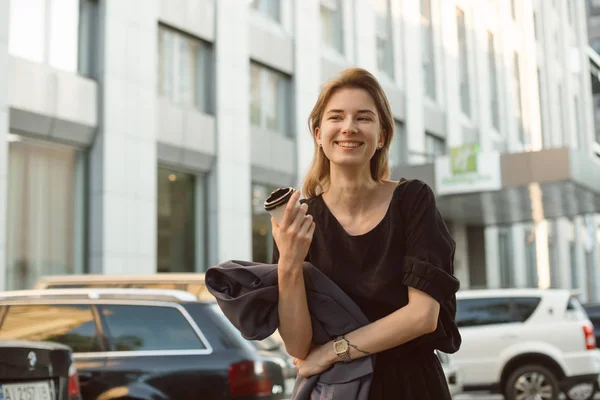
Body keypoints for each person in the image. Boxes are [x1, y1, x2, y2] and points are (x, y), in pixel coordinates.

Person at [270, 67, 461, 399]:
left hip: (412, 387)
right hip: (339, 390)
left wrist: (333, 351)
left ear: (382, 136)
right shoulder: (300, 218)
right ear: (318, 133)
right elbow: (299, 346)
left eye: (363, 118)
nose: (348, 128)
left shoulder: (412, 200)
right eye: (336, 117)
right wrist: (287, 264)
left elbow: (423, 316)